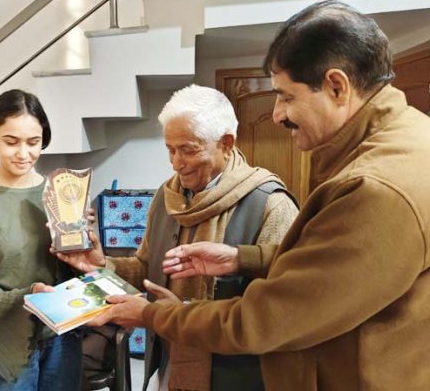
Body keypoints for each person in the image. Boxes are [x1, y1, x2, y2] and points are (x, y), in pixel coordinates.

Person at [91, 0, 430, 390]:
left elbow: (270, 316)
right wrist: (239, 258)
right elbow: (329, 266)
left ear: (337, 86)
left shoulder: (368, 188)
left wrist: (154, 316)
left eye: (286, 96)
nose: (276, 114)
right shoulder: (406, 144)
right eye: (170, 149)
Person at [59, 84, 299, 391]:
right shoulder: (167, 196)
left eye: (188, 149)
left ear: (226, 143)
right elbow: (147, 268)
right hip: (171, 358)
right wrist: (103, 264)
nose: (176, 163)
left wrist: (178, 312)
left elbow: (280, 313)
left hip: (237, 375)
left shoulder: (270, 205)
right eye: (170, 149)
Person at [0, 89, 82, 391]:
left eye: (33, 142)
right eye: (11, 142)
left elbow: (75, 271)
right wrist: (28, 296)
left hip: (61, 338)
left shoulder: (58, 192)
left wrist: (87, 250)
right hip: (3, 348)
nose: (24, 154)